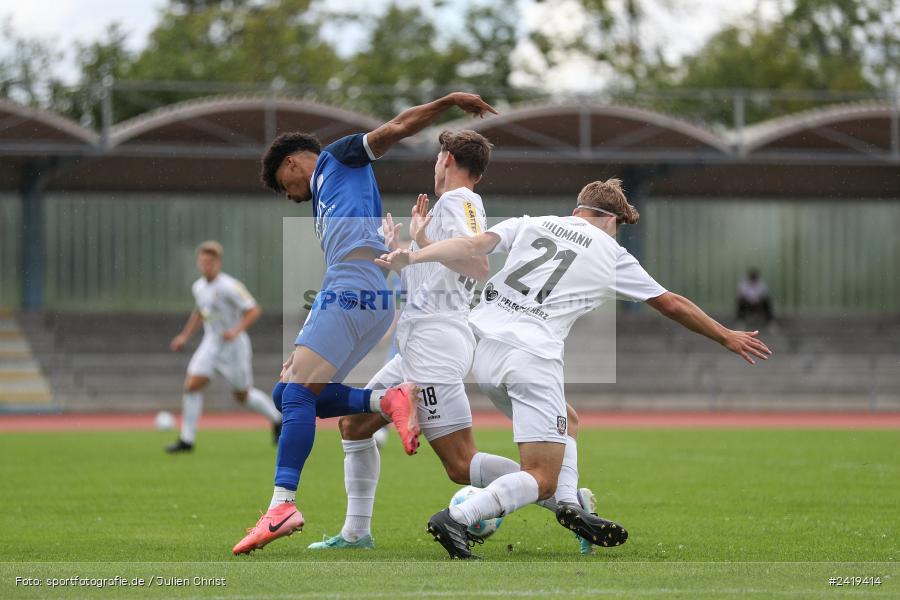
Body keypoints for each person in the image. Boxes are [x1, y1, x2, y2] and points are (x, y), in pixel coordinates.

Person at [377, 178, 773, 559]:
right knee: (540, 476)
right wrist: (724, 335)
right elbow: (670, 303)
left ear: (576, 210)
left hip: (486, 351)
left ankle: (569, 505)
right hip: (532, 356)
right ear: (610, 221)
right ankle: (458, 518)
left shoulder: (533, 222)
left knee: (568, 420)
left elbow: (471, 244)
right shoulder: (610, 251)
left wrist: (414, 253)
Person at [306, 130, 600, 555]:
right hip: (421, 339)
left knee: (461, 466)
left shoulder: (459, 201)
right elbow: (438, 276)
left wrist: (421, 243)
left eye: (438, 155)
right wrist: (403, 249)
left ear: (446, 158)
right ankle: (356, 534)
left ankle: (563, 499)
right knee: (354, 425)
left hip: (435, 342)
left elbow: (477, 265)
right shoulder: (454, 206)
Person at [232, 92, 498, 556]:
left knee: (296, 394)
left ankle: (282, 505)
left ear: (293, 163)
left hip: (362, 289)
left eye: (284, 185)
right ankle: (357, 525)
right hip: (371, 295)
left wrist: (448, 102)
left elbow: (396, 127)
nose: (292, 196)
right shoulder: (330, 203)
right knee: (311, 404)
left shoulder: (338, 159)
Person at [167, 241, 282, 452]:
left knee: (242, 396)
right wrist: (184, 336)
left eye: (210, 262)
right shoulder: (198, 287)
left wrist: (235, 331)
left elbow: (254, 310)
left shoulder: (229, 286)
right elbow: (200, 312)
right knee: (191, 385)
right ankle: (187, 440)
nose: (206, 266)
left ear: (218, 263)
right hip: (211, 344)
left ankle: (276, 419)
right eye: (203, 262)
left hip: (234, 347)